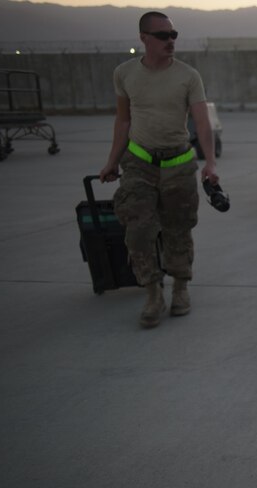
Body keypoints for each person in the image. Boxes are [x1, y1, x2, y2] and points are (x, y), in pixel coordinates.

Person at [99, 11, 218, 328]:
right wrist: (112, 161)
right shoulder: (124, 74)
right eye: (163, 36)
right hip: (139, 162)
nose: (171, 41)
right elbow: (123, 120)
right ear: (144, 39)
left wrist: (210, 163)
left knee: (178, 228)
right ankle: (152, 292)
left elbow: (202, 122)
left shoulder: (188, 75)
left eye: (173, 35)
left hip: (178, 163)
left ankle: (180, 288)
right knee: (138, 229)